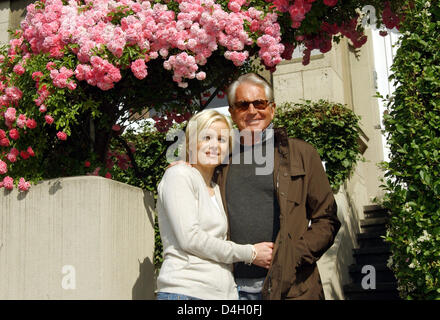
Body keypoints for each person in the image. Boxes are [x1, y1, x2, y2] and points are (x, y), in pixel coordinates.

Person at [212, 73, 341, 300]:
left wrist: (291, 256)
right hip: (231, 289)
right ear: (232, 112)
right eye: (243, 105)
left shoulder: (301, 154)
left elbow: (327, 219)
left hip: (292, 288)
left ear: (272, 108)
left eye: (259, 103)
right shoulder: (218, 159)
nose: (252, 111)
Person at [155, 109, 274, 300]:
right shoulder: (179, 175)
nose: (214, 145)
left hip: (221, 294)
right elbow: (190, 239)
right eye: (206, 137)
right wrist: (250, 253)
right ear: (191, 143)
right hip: (187, 291)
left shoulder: (215, 187)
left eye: (221, 139)